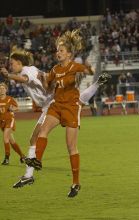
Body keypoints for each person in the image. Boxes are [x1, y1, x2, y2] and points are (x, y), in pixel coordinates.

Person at [0, 47, 110, 189]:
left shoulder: (27, 71)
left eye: (13, 63)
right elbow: (45, 77)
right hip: (51, 103)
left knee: (59, 142)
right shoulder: (32, 69)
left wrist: (9, 75)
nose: (11, 65)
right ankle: (29, 175)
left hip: (52, 104)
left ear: (20, 63)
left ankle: (31, 174)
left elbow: (25, 79)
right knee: (37, 138)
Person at [24, 29, 110, 198]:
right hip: (57, 105)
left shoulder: (74, 66)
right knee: (43, 131)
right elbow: (49, 87)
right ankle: (37, 160)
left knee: (71, 147)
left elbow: (89, 72)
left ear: (69, 54)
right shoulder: (55, 69)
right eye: (57, 50)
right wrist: (44, 79)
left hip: (71, 108)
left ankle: (76, 183)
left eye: (61, 50)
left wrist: (91, 70)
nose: (58, 53)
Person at [0, 82, 25, 165]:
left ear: (6, 90)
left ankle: (7, 158)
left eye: (3, 88)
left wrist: (12, 109)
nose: (1, 90)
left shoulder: (10, 99)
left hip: (10, 120)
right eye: (0, 88)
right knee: (12, 141)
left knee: (5, 138)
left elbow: (17, 108)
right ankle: (22, 156)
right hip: (2, 122)